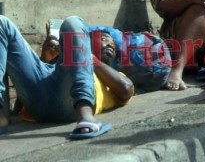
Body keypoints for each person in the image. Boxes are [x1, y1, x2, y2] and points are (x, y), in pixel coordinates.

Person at [0, 15, 134, 139]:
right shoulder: (57, 64)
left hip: (69, 103)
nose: (110, 44)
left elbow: (126, 89)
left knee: (73, 21)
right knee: (2, 23)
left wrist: (89, 57)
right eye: (104, 39)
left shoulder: (110, 76)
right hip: (40, 99)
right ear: (86, 41)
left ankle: (85, 114)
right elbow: (19, 105)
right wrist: (45, 60)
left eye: (114, 47)